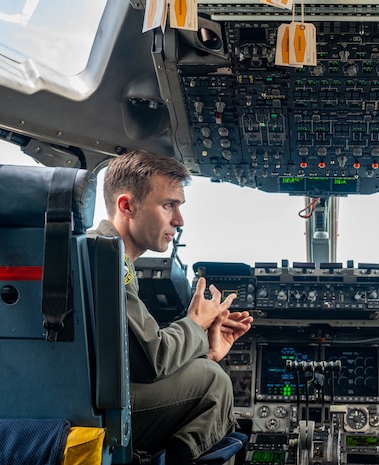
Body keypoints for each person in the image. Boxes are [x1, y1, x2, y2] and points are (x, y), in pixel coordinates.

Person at [88, 150, 253, 464]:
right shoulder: (108, 263)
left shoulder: (95, 250)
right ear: (127, 205)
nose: (179, 220)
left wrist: (205, 349)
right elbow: (152, 361)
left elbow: (131, 358)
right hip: (92, 407)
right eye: (168, 206)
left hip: (82, 398)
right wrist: (195, 323)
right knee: (212, 380)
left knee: (206, 366)